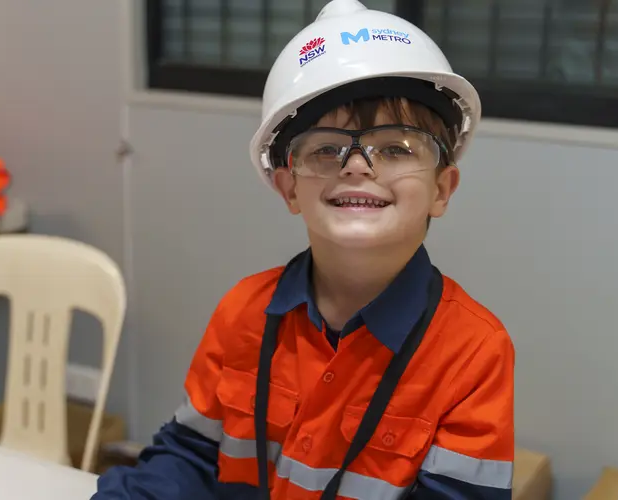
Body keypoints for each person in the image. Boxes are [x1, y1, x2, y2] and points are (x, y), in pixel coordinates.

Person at [93, 0, 514, 498]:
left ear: (442, 189)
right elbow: (191, 456)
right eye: (327, 149)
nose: (357, 165)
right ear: (288, 187)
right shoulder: (244, 312)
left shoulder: (474, 353)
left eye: (396, 148)